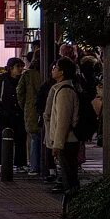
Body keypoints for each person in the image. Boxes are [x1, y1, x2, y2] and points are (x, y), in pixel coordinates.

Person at [44, 57, 82, 194]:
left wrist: (57, 144)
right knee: (69, 174)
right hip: (67, 140)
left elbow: (63, 121)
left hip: (67, 141)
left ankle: (72, 205)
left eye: (56, 68)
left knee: (69, 177)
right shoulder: (61, 89)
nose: (53, 70)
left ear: (62, 72)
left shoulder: (64, 92)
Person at [0, 57, 28, 170]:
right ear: (11, 68)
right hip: (6, 114)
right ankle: (4, 162)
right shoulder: (3, 79)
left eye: (22, 66)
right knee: (5, 138)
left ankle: (20, 163)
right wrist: (2, 109)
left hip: (19, 113)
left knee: (20, 139)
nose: (20, 69)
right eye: (18, 67)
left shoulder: (23, 79)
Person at [16, 55, 44, 177]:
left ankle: (34, 167)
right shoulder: (47, 74)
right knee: (44, 139)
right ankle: (46, 166)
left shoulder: (27, 75)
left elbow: (19, 92)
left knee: (34, 139)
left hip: (31, 110)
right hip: (45, 110)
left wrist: (25, 105)